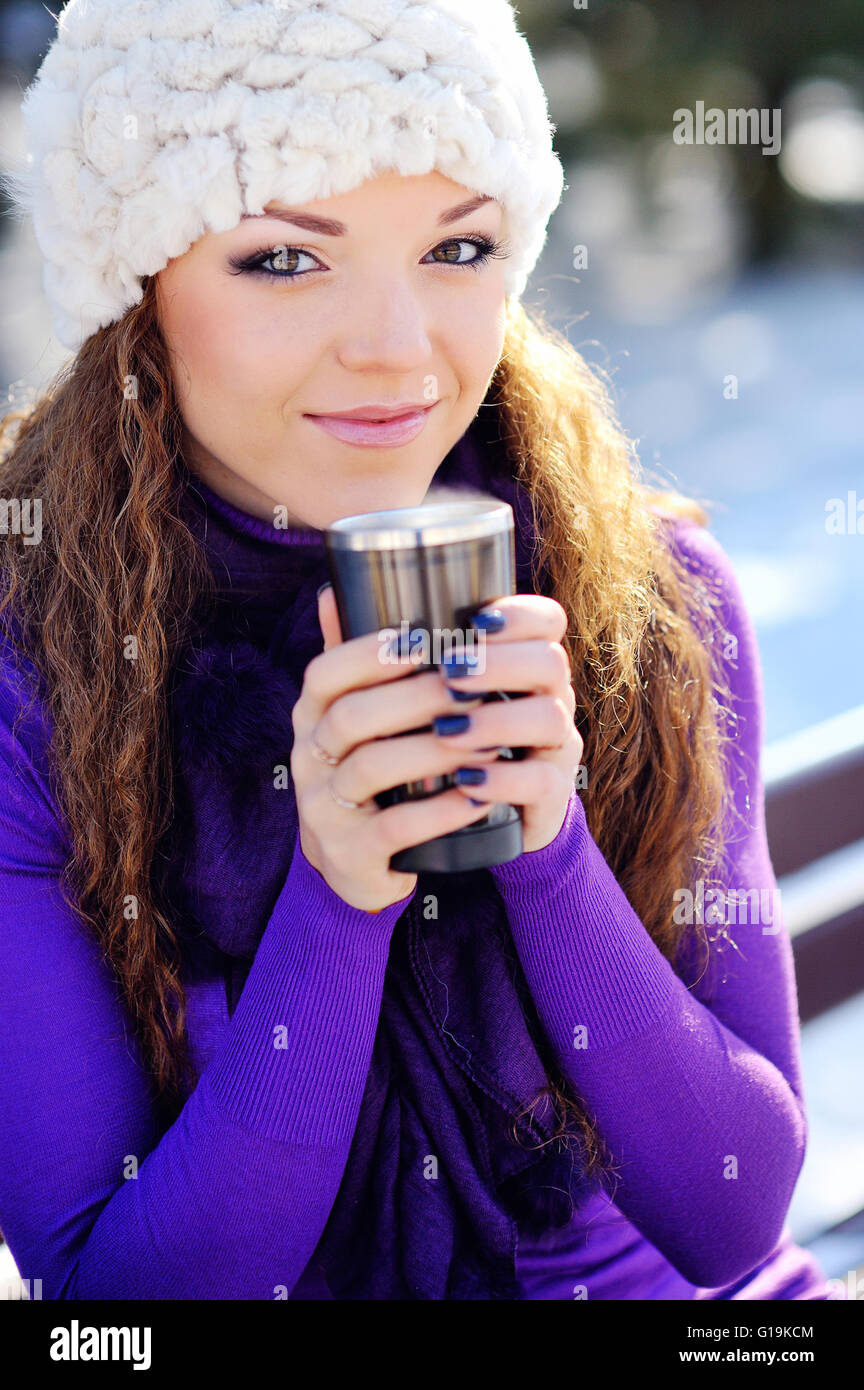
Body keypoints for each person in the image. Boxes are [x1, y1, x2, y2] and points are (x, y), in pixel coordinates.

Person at [0, 0, 833, 1301]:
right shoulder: (33, 665)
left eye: (458, 244)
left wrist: (548, 845)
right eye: (284, 259)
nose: (399, 349)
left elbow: (732, 1220)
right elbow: (117, 1306)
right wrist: (340, 896)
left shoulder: (649, 590)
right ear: (138, 286)